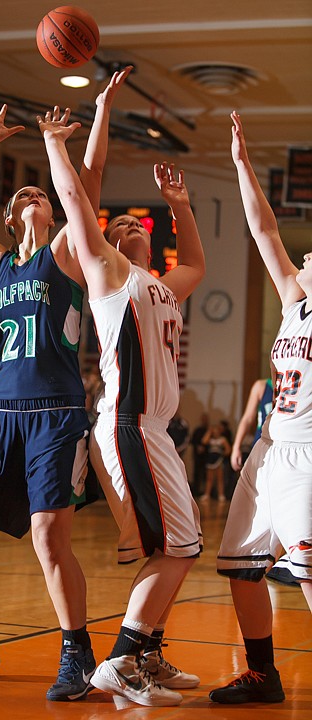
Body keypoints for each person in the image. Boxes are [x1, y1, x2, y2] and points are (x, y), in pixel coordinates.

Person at [0, 68, 132, 703]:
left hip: (56, 411)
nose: (32, 195)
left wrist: (97, 115)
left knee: (50, 534)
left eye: (40, 192)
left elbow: (88, 184)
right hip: (0, 411)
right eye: (21, 195)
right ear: (13, 214)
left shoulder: (67, 252)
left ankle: (77, 653)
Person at [39, 106, 205, 706]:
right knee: (181, 548)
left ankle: (148, 657)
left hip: (154, 428)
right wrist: (56, 144)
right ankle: (119, 660)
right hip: (128, 423)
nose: (133, 222)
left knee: (176, 546)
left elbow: (195, 265)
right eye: (122, 223)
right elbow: (77, 196)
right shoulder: (108, 273)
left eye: (142, 222)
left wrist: (181, 205)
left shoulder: (160, 282)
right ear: (105, 242)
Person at [209, 111, 312, 705]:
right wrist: (244, 165)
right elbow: (264, 231)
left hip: (306, 456)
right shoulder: (294, 301)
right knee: (243, 567)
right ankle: (262, 672)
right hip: (268, 451)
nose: (306, 260)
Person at [230, 378, 273, 472]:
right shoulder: (261, 386)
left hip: (283, 446)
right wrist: (236, 446)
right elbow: (247, 419)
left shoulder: (296, 387)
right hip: (262, 444)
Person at [199, 423, 231, 502]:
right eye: (214, 431)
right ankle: (207, 494)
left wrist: (222, 454)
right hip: (210, 459)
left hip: (219, 460)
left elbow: (228, 450)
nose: (215, 432)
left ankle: (221, 495)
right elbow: (203, 441)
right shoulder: (210, 439)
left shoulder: (223, 439)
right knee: (209, 478)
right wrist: (209, 432)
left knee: (219, 478)